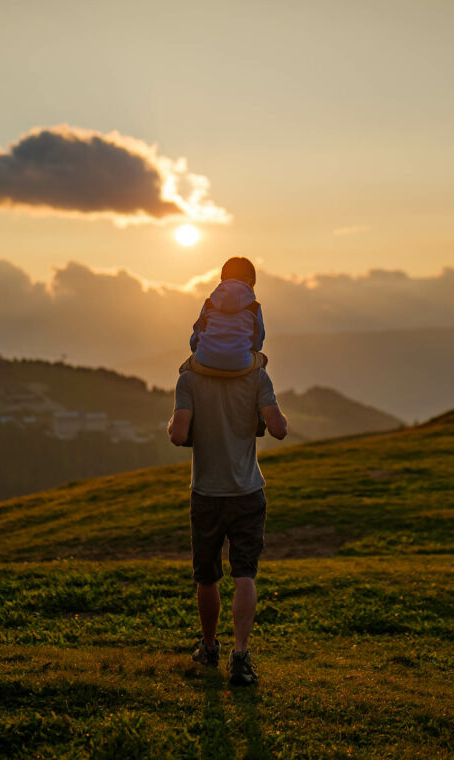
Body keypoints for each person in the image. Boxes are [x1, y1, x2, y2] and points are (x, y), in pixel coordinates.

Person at [167, 291, 288, 686]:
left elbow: (178, 434)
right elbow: (280, 429)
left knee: (206, 577)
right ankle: (240, 655)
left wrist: (175, 427)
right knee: (244, 575)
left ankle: (209, 647)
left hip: (205, 491)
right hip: (248, 491)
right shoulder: (257, 375)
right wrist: (264, 414)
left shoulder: (188, 377)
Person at [189, 257, 265, 372]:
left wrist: (199, 351)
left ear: (222, 279)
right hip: (240, 363)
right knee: (262, 359)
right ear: (250, 281)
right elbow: (257, 342)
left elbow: (196, 336)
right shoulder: (254, 307)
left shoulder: (210, 303)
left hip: (206, 360)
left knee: (184, 370)